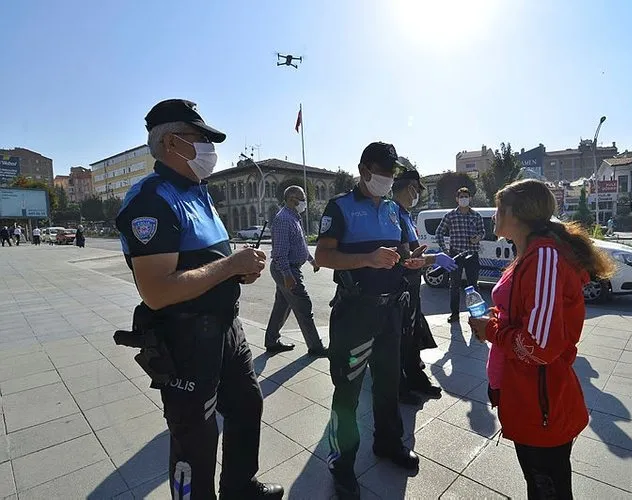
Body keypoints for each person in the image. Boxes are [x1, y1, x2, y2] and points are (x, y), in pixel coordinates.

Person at [114, 99, 283, 499]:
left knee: (246, 407)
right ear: (172, 142)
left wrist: (237, 268)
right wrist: (227, 268)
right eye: (201, 138)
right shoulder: (150, 200)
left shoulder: (197, 191)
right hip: (186, 339)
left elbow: (208, 261)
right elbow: (157, 291)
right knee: (195, 439)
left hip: (226, 328)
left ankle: (241, 488)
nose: (209, 147)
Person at [468, 179, 615, 499]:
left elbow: (540, 347)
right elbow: (522, 312)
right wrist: (495, 319)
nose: (493, 216)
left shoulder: (545, 257)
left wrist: (490, 331)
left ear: (516, 215)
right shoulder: (528, 254)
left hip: (541, 398)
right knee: (538, 483)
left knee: (547, 488)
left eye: (498, 209)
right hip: (524, 392)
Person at [316, 142, 425, 499]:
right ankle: (342, 464)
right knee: (346, 391)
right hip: (356, 314)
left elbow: (401, 253)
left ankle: (388, 443)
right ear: (364, 170)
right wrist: (367, 258)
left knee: (388, 381)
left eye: (393, 172)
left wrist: (411, 260)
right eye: (384, 171)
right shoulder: (341, 207)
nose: (389, 178)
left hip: (390, 311)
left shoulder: (395, 209)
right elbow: (323, 256)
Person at [391, 168, 456, 404]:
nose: (417, 195)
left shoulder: (405, 214)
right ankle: (400, 387)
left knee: (412, 335)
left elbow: (409, 253)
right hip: (399, 287)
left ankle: (417, 380)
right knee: (399, 340)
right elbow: (402, 257)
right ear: (410, 188)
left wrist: (418, 256)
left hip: (411, 285)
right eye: (417, 190)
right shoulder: (392, 214)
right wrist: (434, 259)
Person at [263, 185, 327, 357]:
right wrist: (287, 275)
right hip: (286, 269)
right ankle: (316, 347)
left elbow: (299, 245)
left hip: (289, 268)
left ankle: (271, 341)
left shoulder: (294, 217)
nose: (305, 202)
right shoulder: (284, 219)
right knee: (304, 306)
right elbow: (280, 252)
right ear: (292, 199)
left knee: (282, 307)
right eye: (302, 198)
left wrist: (312, 260)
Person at [435, 187, 485, 323]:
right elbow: (439, 232)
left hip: (472, 255)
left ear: (470, 198)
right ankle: (455, 314)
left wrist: (478, 237)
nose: (464, 199)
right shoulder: (450, 215)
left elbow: (483, 232)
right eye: (461, 197)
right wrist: (445, 251)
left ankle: (475, 315)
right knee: (454, 285)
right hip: (455, 255)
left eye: (466, 196)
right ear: (457, 199)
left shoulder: (476, 216)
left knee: (473, 285)